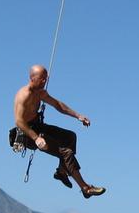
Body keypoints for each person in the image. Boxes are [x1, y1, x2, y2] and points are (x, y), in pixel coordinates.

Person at [13, 64, 105, 199]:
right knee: (65, 152)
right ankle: (85, 188)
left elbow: (58, 105)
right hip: (27, 134)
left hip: (38, 127)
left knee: (70, 137)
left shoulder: (40, 93)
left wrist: (78, 116)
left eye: (46, 78)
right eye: (42, 79)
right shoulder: (24, 95)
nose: (45, 81)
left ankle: (62, 172)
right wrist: (36, 138)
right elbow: (19, 121)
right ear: (32, 78)